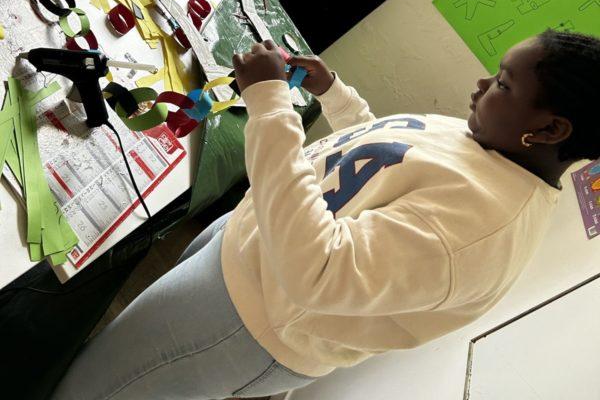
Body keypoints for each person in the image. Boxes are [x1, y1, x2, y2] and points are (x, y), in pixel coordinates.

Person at [52, 29, 600, 400]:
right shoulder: (490, 142)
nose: (481, 85)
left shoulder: (483, 230)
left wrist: (270, 103)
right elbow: (383, 158)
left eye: (503, 83)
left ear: (550, 130)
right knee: (105, 359)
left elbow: (315, 272)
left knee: (91, 388)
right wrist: (335, 95)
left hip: (244, 319)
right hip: (249, 247)